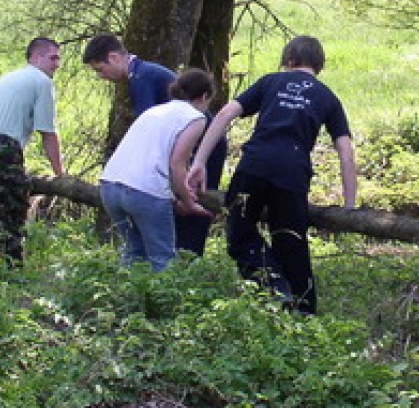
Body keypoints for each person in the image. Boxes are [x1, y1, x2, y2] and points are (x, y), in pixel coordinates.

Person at [188, 36, 357, 314]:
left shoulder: (270, 82)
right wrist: (350, 205)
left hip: (254, 166)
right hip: (292, 174)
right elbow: (346, 152)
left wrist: (200, 162)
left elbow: (225, 114)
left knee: (240, 234)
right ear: (319, 66)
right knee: (291, 242)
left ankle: (273, 289)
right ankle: (302, 313)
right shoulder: (328, 97)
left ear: (288, 61)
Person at [82, 32, 221, 256]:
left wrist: (181, 193)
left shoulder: (143, 78)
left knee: (148, 246)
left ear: (115, 57)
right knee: (150, 251)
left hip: (199, 150)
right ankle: (180, 271)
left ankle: (189, 258)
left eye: (100, 69)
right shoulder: (141, 76)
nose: (102, 76)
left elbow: (172, 156)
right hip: (150, 177)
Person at [0, 38, 66, 267]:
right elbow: (48, 132)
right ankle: (13, 272)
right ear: (36, 57)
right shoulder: (41, 81)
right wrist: (61, 174)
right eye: (53, 58)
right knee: (11, 212)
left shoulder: (11, 77)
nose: (57, 64)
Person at [100, 69, 215, 270]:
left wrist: (172, 196)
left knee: (133, 252)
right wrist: (188, 201)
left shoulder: (153, 111)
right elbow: (177, 163)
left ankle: (123, 299)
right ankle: (163, 301)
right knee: (162, 258)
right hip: (144, 191)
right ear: (204, 96)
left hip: (110, 185)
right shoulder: (196, 118)